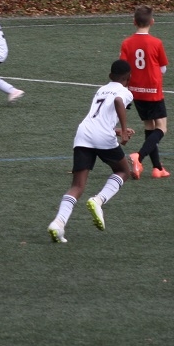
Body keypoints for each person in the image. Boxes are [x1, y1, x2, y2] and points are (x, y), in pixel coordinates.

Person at [47, 60, 137, 243]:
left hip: (83, 134)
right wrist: (123, 131)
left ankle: (58, 223)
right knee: (123, 171)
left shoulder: (101, 89)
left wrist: (117, 131)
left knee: (77, 186)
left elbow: (99, 118)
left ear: (110, 76)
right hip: (102, 136)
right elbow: (118, 102)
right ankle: (98, 200)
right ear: (129, 77)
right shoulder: (125, 92)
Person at [120, 5, 171, 178]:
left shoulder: (127, 43)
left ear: (134, 22)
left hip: (135, 91)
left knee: (149, 126)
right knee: (162, 128)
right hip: (153, 91)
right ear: (152, 22)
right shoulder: (156, 43)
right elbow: (163, 69)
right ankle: (139, 156)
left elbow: (123, 68)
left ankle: (157, 168)